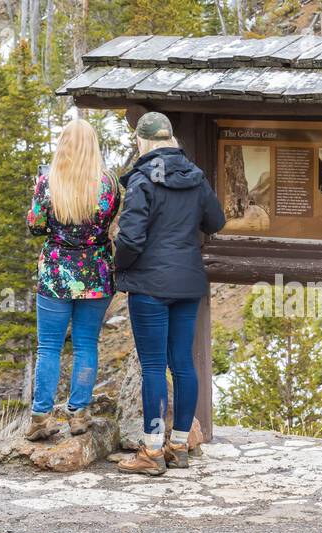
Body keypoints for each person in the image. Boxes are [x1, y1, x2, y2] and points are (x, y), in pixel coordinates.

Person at [113, 112, 225, 476]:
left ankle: (151, 449)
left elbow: (130, 237)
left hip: (149, 284)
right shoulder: (194, 177)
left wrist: (120, 267)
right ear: (172, 139)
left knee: (152, 367)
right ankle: (178, 445)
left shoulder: (143, 180)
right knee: (182, 364)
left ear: (142, 141)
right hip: (187, 282)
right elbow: (216, 221)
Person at [25, 117, 120, 441]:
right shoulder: (108, 185)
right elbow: (110, 220)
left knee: (49, 346)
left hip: (55, 274)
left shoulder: (47, 183)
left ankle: (41, 416)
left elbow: (35, 225)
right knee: (85, 345)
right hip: (96, 274)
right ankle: (78, 413)